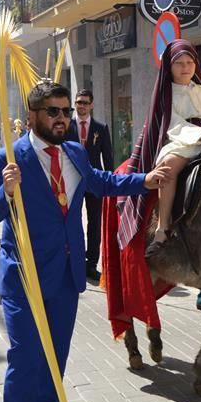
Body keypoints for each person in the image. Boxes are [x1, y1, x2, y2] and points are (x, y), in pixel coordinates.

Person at [0, 81, 169, 402]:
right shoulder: (6, 159)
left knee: (56, 354)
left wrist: (143, 181)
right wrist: (6, 192)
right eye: (54, 112)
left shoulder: (76, 152)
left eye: (66, 111)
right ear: (32, 116)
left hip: (66, 274)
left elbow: (102, 182)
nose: (63, 118)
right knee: (25, 358)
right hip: (24, 277)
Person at [141, 39, 201, 246]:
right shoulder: (164, 93)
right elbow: (172, 122)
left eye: (189, 62)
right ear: (170, 66)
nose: (185, 67)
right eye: (179, 63)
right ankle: (163, 225)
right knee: (167, 166)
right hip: (183, 141)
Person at [64, 89, 113, 282]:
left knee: (94, 223)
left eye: (84, 102)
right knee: (73, 221)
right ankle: (74, 260)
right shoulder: (67, 127)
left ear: (91, 105)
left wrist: (109, 185)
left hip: (94, 182)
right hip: (72, 181)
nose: (81, 106)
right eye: (78, 102)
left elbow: (108, 158)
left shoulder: (101, 128)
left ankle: (91, 264)